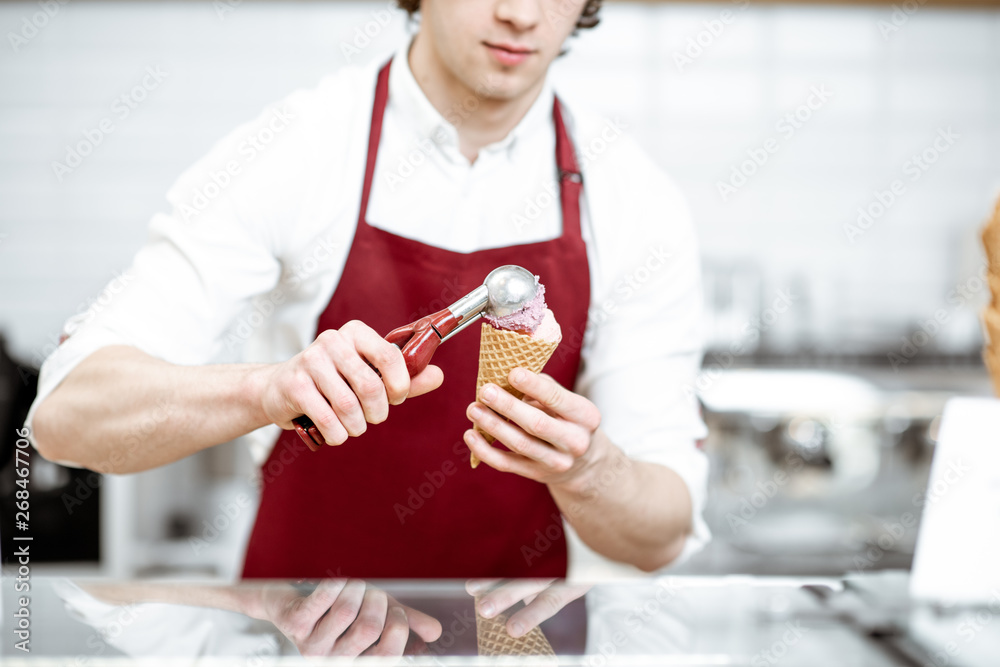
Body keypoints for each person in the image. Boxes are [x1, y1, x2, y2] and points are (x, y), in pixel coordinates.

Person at [28, 0, 709, 639]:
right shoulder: (300, 146)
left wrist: (590, 470)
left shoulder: (633, 199)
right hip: (303, 636)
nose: (521, 14)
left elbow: (660, 535)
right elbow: (67, 417)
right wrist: (265, 391)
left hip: (514, 643)